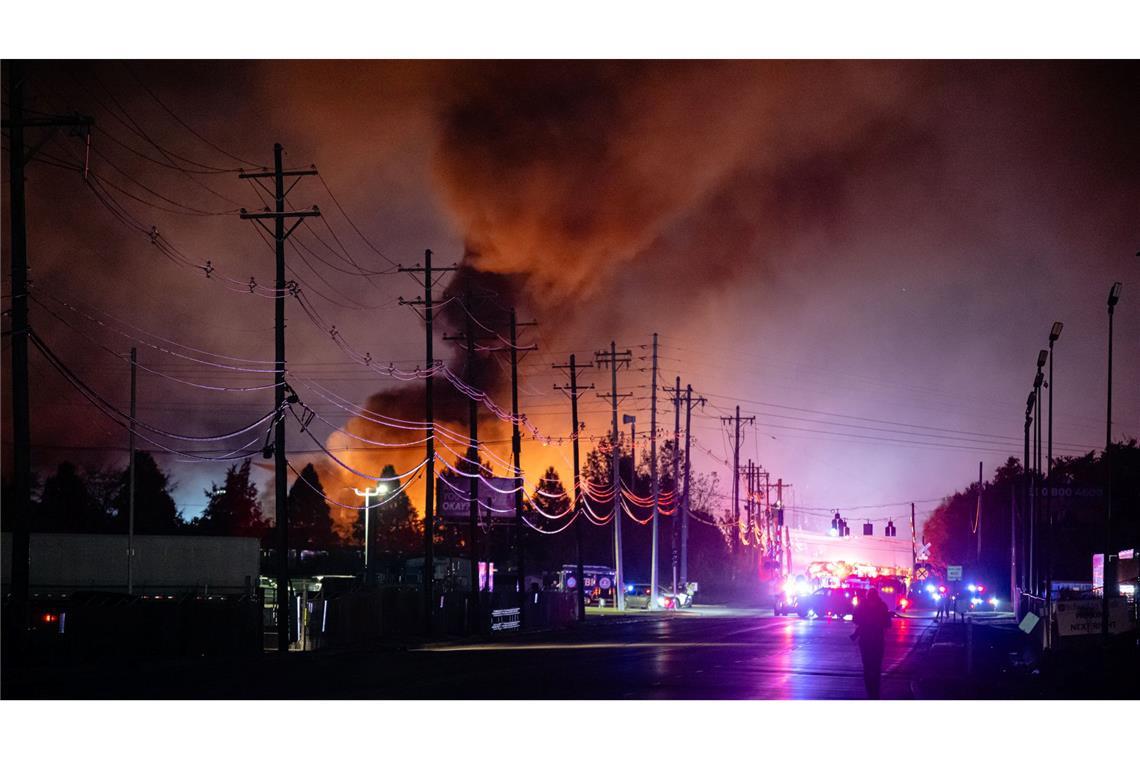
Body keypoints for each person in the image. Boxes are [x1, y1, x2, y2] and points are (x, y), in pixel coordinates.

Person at [851, 588, 891, 699]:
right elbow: (888, 623)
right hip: (878, 639)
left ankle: (869, 689)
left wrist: (865, 622)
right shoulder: (882, 606)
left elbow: (855, 619)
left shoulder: (861, 605)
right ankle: (875, 690)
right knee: (877, 665)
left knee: (867, 665)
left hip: (865, 639)